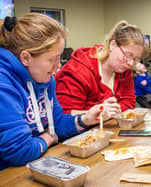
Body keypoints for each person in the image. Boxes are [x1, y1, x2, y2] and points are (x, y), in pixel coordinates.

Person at [0, 13, 110, 170]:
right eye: (52, 59)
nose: (58, 66)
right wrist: (47, 138)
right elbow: (19, 150)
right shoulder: (4, 83)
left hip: (33, 164)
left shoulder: (44, 78)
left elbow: (56, 123)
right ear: (26, 58)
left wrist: (85, 119)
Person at [55, 20, 147, 117]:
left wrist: (113, 110)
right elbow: (64, 116)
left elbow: (129, 102)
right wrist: (100, 111)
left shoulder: (123, 68)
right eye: (128, 55)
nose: (130, 63)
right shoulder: (77, 71)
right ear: (112, 45)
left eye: (136, 59)